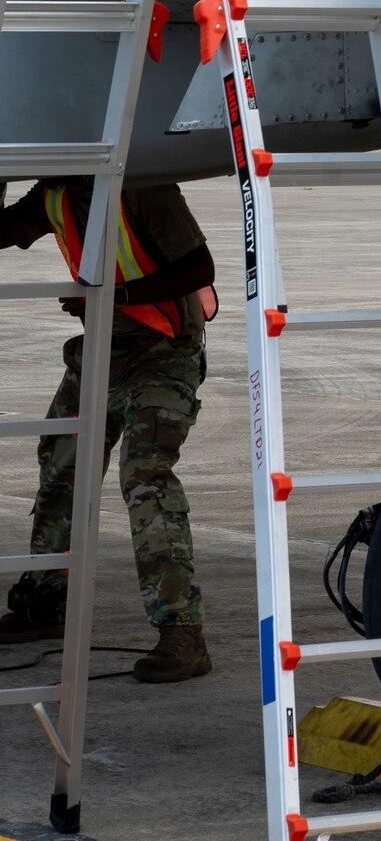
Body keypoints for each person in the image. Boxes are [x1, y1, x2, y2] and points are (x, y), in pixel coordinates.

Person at [0, 178, 216, 682]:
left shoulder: (142, 182)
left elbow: (198, 268)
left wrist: (112, 295)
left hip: (162, 352)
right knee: (61, 466)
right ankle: (46, 603)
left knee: (146, 476)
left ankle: (182, 632)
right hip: (101, 350)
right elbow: (7, 229)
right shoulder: (55, 188)